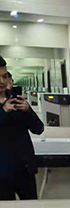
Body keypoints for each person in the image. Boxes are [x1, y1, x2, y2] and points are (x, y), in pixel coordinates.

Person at [0, 56, 45, 200]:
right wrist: (3, 112)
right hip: (2, 174)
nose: (2, 81)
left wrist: (28, 110)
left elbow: (38, 129)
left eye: (5, 76)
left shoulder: (16, 100)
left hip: (24, 169)